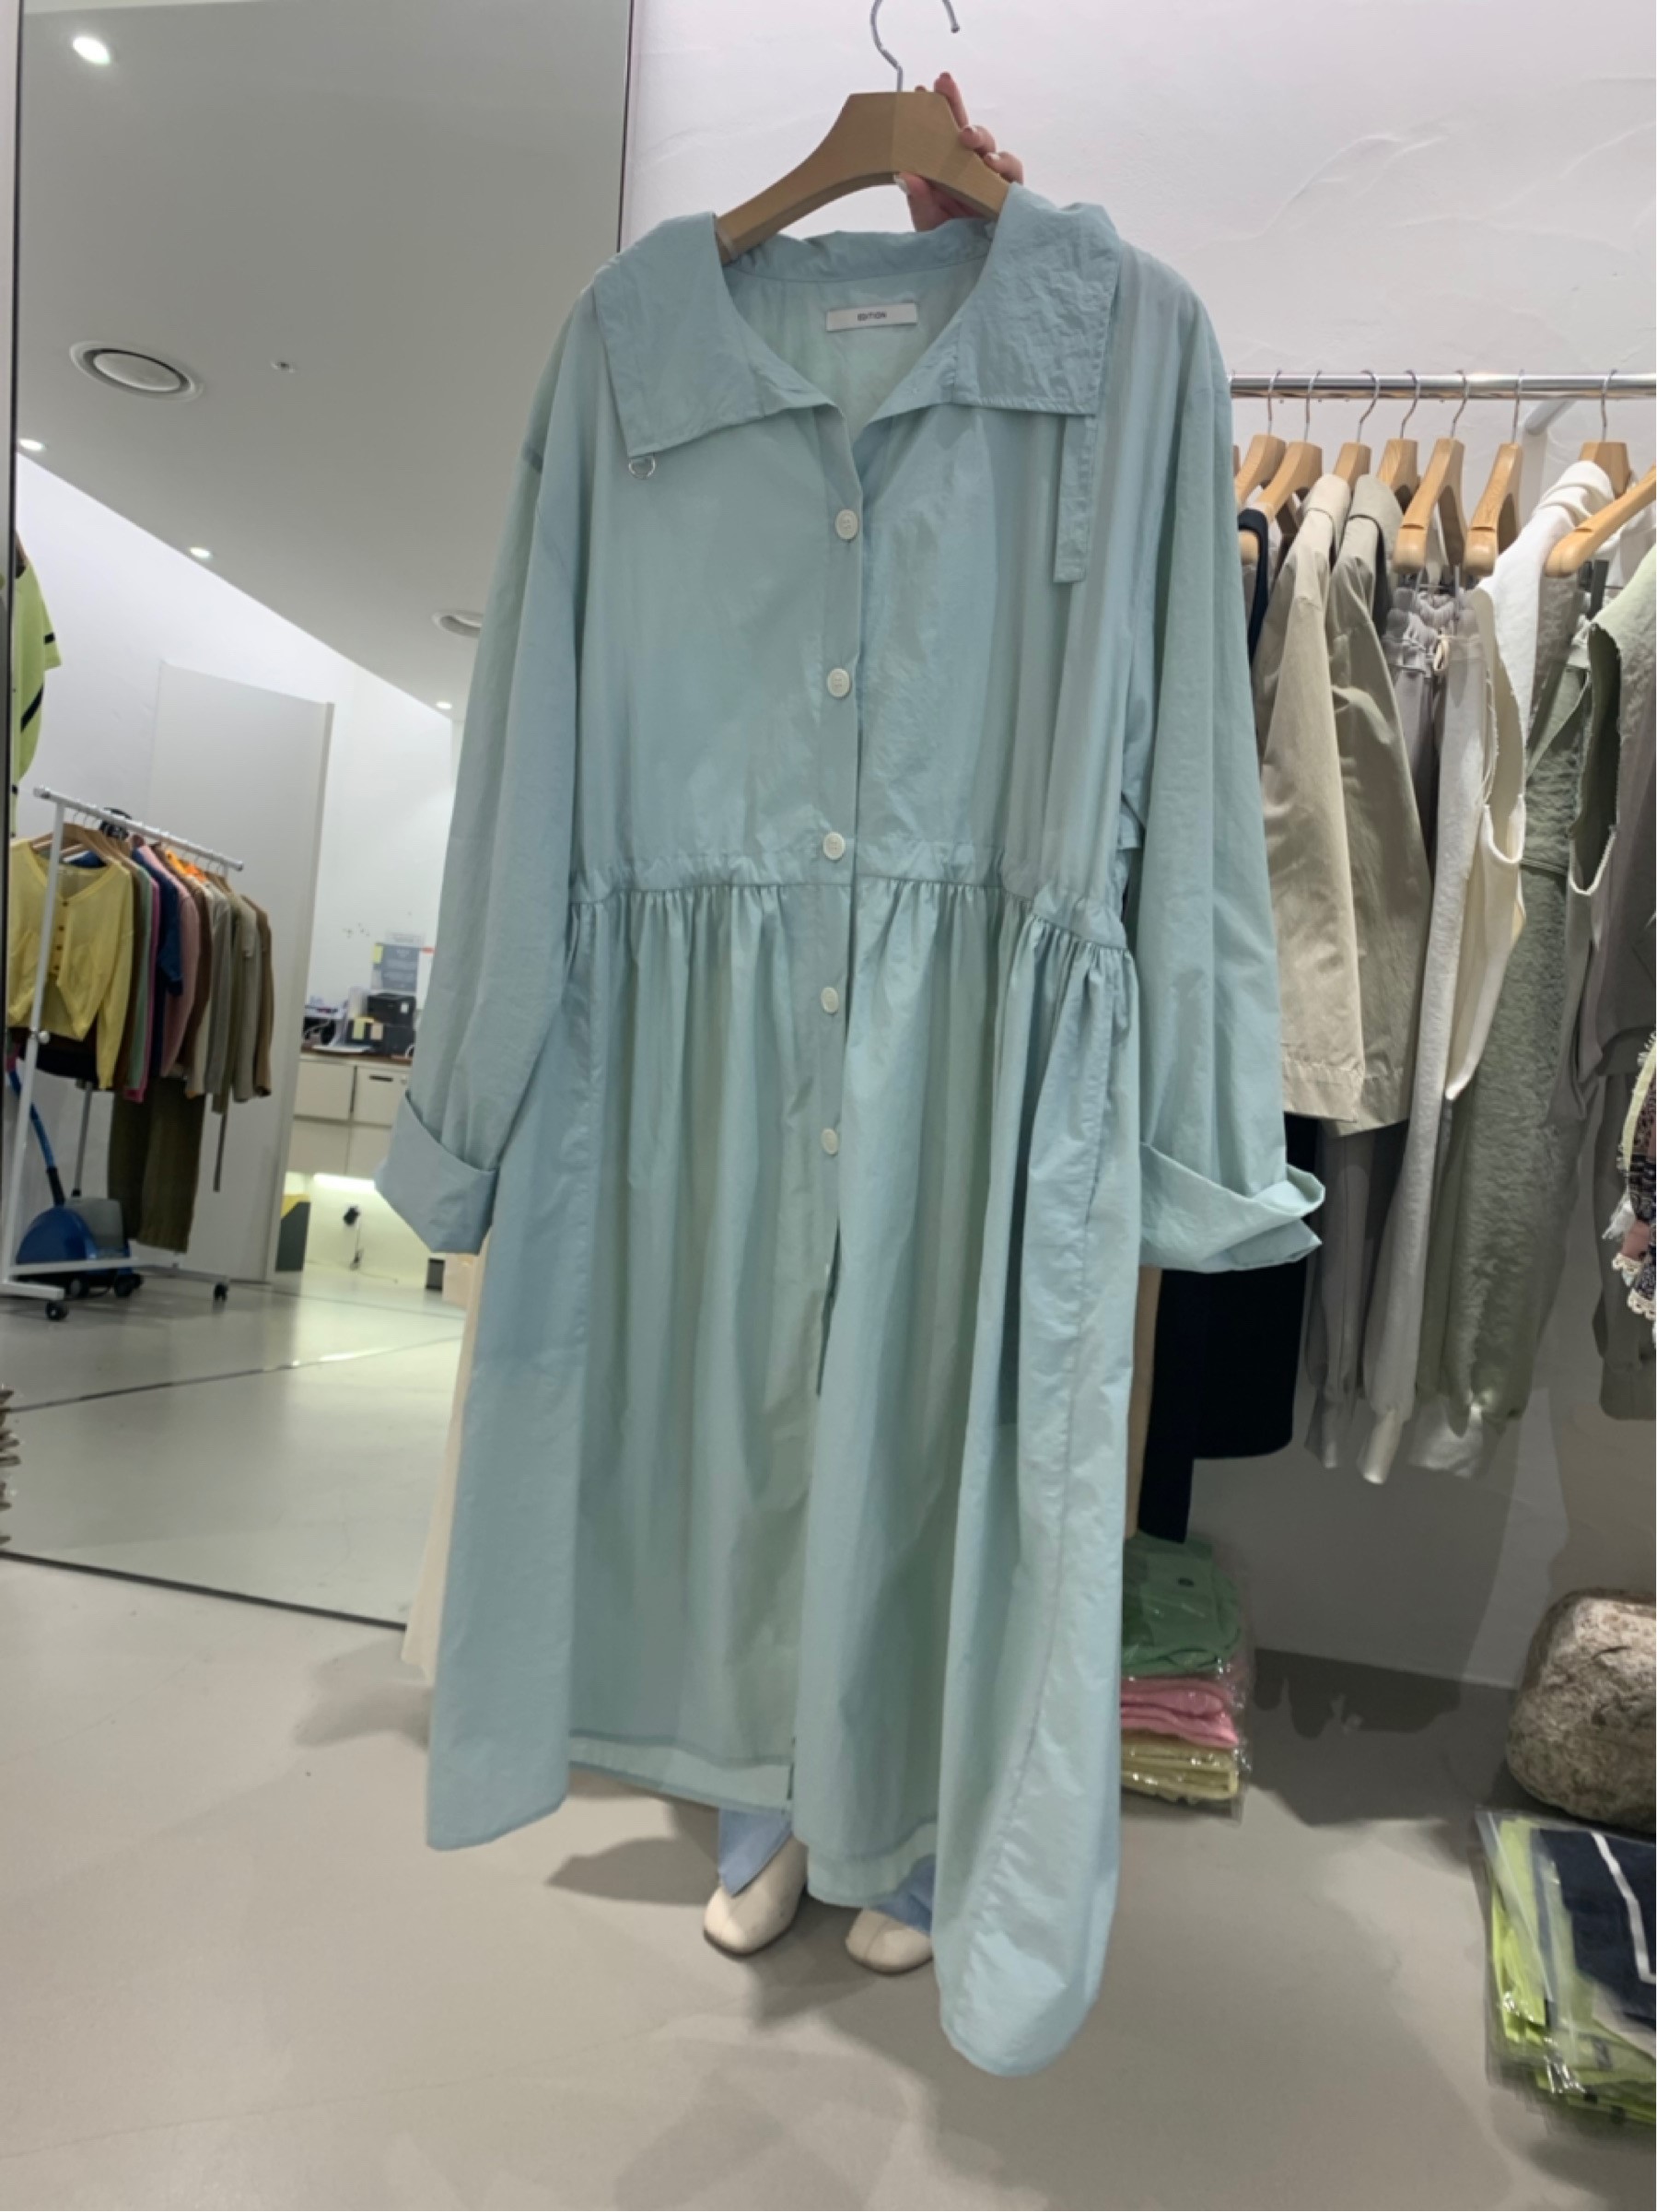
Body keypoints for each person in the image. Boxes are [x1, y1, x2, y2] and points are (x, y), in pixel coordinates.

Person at [705, 76, 1025, 1977]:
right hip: (755, 991)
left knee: (923, 1429)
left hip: (962, 1008)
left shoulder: (1083, 364)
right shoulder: (678, 371)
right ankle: (765, 1805)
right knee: (763, 1415)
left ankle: (898, 1830)